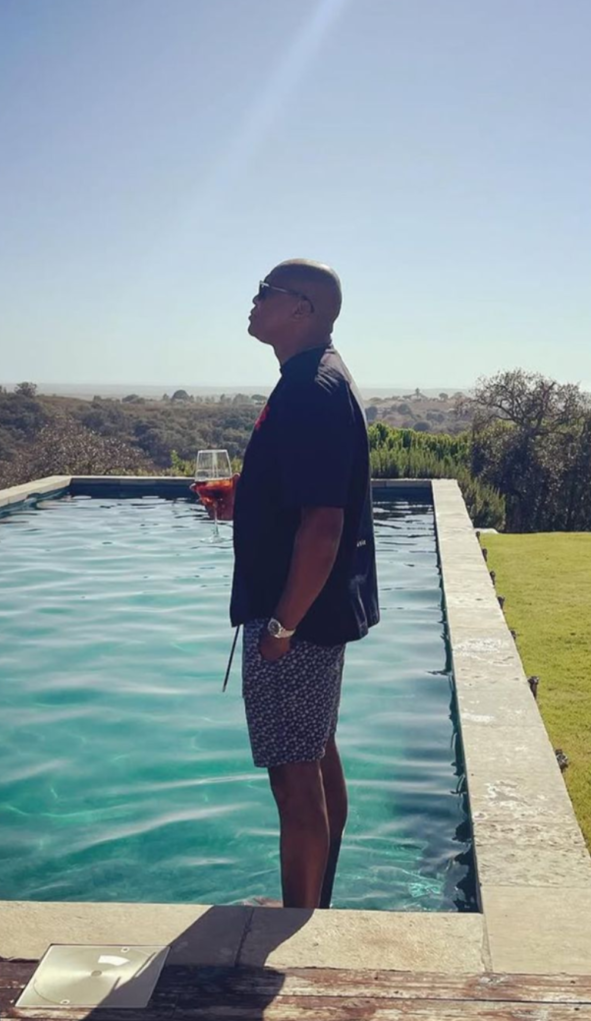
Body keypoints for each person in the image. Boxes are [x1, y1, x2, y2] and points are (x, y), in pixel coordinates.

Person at [207, 259, 379, 909]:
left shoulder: (310, 388)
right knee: (315, 749)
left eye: (265, 293)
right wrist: (247, 497)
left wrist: (282, 627)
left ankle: (297, 924)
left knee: (293, 775)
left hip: (297, 615)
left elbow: (323, 525)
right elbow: (308, 494)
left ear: (301, 308)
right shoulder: (313, 378)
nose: (253, 302)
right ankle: (316, 909)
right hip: (310, 611)